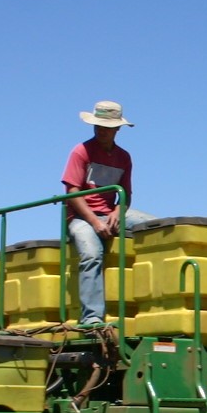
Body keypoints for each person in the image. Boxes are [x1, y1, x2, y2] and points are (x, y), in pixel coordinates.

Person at [63, 100, 152, 326]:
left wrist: (118, 211)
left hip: (110, 212)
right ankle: (92, 318)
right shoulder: (81, 151)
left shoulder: (124, 157)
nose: (101, 130)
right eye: (98, 125)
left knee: (157, 228)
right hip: (81, 217)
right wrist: (94, 221)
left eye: (107, 126)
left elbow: (126, 194)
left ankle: (155, 305)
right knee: (92, 254)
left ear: (117, 129)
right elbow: (72, 191)